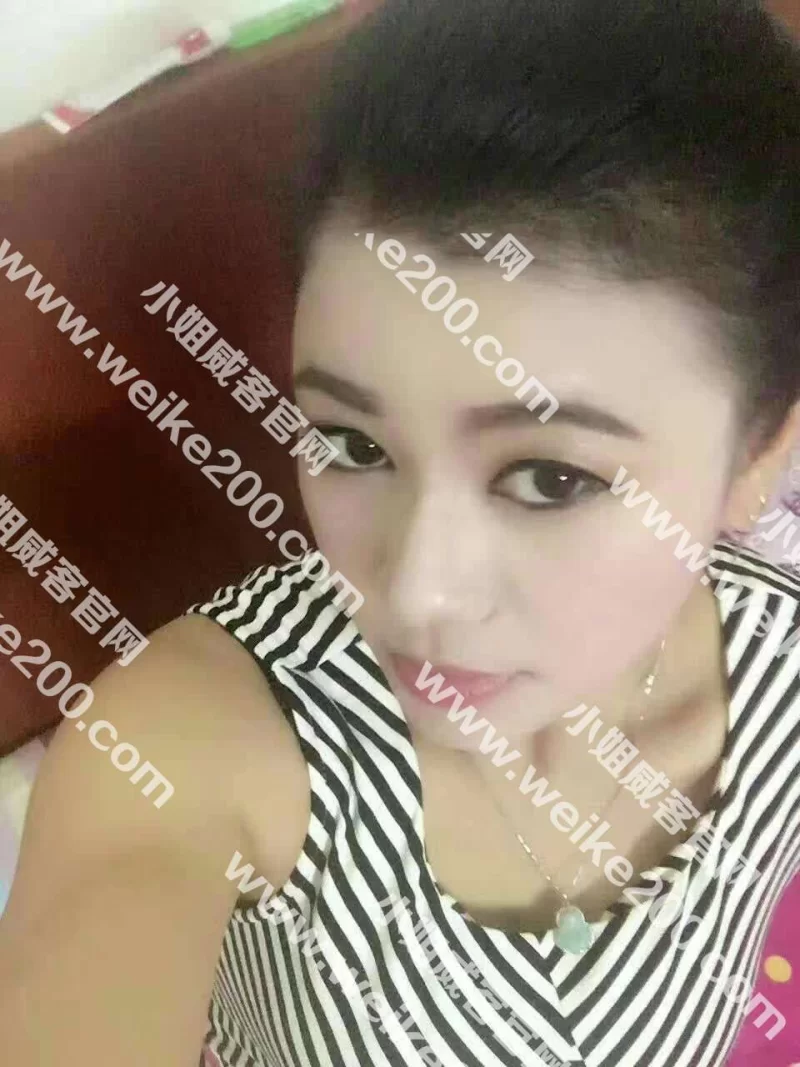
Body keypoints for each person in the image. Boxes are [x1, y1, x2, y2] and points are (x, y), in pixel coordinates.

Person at [2, 0, 800, 1064]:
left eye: (550, 477)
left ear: (760, 456)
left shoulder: (781, 666)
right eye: (352, 443)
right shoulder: (194, 743)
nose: (417, 592)